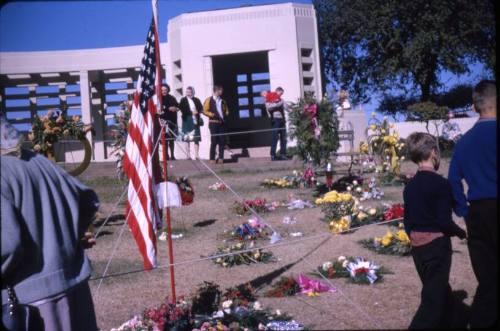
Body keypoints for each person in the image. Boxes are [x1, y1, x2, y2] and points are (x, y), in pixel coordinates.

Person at [1, 115, 99, 330]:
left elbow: (7, 247)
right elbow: (87, 201)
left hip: (28, 306)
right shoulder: (39, 160)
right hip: (75, 289)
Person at [403, 132, 467, 329]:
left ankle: (453, 322)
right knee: (432, 301)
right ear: (433, 152)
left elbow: (407, 221)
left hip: (418, 248)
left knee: (439, 292)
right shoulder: (441, 184)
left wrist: (414, 238)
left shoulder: (410, 187)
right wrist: (461, 232)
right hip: (436, 247)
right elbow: (443, 221)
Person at [448, 80, 497, 329]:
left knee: (488, 280)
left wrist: (463, 210)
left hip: (477, 212)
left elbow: (453, 179)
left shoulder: (464, 142)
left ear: (475, 106)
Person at [202, 85, 229, 164]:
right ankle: (212, 158)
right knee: (214, 140)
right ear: (216, 91)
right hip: (213, 123)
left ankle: (221, 158)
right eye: (221, 90)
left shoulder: (223, 101)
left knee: (222, 140)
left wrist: (225, 114)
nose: (222, 92)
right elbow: (204, 110)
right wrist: (212, 115)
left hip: (222, 123)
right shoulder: (209, 100)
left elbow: (226, 110)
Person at [179, 86, 204, 159]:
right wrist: (191, 112)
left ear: (193, 92)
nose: (188, 93)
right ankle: (188, 155)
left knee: (196, 138)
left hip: (195, 119)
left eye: (189, 92)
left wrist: (197, 111)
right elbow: (182, 109)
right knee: (187, 137)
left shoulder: (196, 100)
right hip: (187, 120)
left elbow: (200, 108)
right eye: (187, 92)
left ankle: (196, 155)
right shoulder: (183, 100)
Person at [265, 87, 287, 161]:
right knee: (275, 137)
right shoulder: (269, 98)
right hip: (275, 120)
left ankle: (283, 154)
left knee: (283, 138)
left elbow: (286, 107)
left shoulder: (281, 100)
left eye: (281, 94)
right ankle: (273, 155)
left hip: (282, 120)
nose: (280, 95)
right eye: (280, 93)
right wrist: (278, 104)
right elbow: (269, 108)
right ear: (277, 91)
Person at [158, 84, 180, 160]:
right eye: (162, 90)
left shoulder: (172, 98)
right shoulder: (159, 99)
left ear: (168, 90)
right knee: (165, 140)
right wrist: (168, 108)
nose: (164, 91)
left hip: (172, 121)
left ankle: (172, 155)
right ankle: (166, 155)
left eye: (165, 90)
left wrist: (175, 108)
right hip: (163, 121)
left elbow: (178, 107)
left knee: (171, 139)